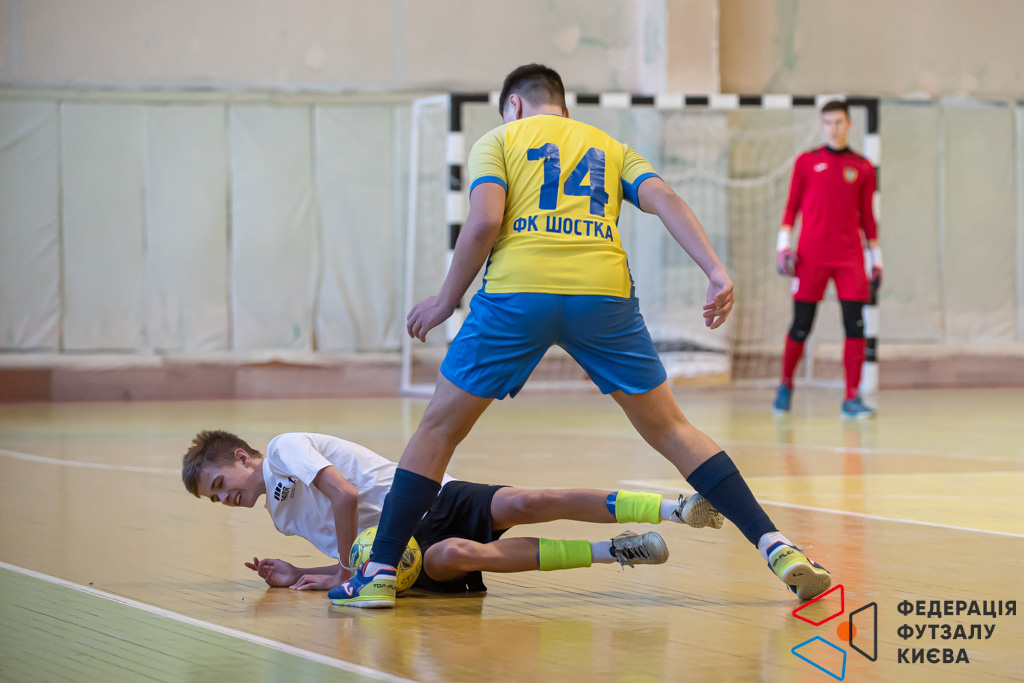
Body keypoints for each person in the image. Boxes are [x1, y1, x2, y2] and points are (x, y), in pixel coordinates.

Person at [331, 64, 831, 608]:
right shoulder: (609, 146)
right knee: (672, 430)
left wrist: (447, 299)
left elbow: (484, 220)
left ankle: (379, 571)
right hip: (603, 295)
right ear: (564, 108)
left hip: (518, 294)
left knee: (437, 431)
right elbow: (666, 199)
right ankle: (776, 545)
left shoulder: (498, 141)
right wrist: (714, 270)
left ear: (514, 106)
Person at [181, 430, 725, 597]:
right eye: (214, 499)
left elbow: (345, 500)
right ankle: (616, 550)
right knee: (457, 554)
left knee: (528, 502)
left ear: (242, 457)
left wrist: (345, 574)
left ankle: (676, 508)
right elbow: (361, 557)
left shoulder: (283, 449)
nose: (224, 500)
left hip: (428, 497)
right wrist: (302, 573)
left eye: (220, 484)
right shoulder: (282, 519)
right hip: (409, 552)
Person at [773, 100, 881, 419]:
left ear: (849, 124)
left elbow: (869, 219)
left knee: (855, 326)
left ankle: (851, 398)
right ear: (822, 125)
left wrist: (877, 260)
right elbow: (791, 207)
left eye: (839, 122)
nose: (833, 128)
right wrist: (783, 247)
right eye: (828, 122)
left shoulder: (863, 167)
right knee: (801, 325)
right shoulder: (806, 162)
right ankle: (785, 384)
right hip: (810, 257)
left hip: (849, 258)